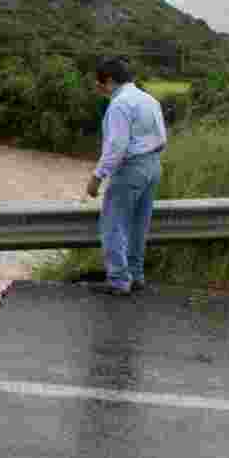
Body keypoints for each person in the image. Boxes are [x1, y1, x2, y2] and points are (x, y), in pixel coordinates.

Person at [85, 57, 168, 296]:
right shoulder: (149, 99)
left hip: (131, 167)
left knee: (113, 224)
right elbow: (162, 137)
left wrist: (97, 176)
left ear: (109, 81)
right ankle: (136, 275)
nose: (98, 89)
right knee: (138, 225)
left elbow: (117, 146)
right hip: (153, 165)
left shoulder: (120, 104)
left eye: (99, 84)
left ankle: (119, 280)